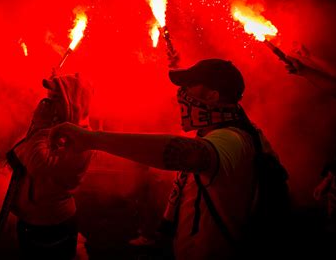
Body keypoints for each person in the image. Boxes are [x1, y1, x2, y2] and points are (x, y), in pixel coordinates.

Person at [50, 59, 288, 259]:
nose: (181, 95)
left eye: (189, 87)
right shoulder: (230, 130)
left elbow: (184, 153)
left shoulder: (232, 139)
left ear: (213, 96)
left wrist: (93, 139)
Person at [7, 74, 94, 259]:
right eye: (48, 97)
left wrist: (41, 125)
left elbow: (38, 165)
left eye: (55, 99)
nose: (47, 103)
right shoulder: (58, 127)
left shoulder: (81, 138)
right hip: (32, 219)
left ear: (73, 102)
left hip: (52, 222)